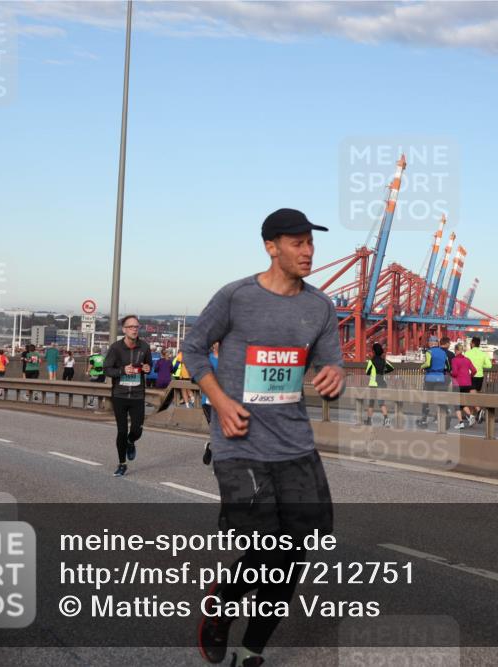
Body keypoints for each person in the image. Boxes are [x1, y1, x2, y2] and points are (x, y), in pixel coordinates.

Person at [184, 208, 343, 667]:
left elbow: (332, 365)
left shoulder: (320, 307)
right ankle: (222, 607)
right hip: (240, 445)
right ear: (271, 247)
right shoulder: (236, 297)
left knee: (294, 554)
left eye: (310, 242)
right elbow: (193, 348)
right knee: (267, 547)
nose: (308, 251)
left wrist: (334, 376)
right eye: (297, 243)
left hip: (296, 446)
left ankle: (253, 650)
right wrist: (220, 401)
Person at [102, 314, 152, 476]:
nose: (134, 330)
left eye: (136, 327)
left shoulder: (144, 347)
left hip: (138, 395)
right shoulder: (116, 348)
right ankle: (122, 463)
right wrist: (123, 370)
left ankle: (131, 442)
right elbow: (107, 369)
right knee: (122, 431)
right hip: (120, 395)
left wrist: (147, 368)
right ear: (124, 330)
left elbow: (149, 365)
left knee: (137, 430)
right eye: (131, 327)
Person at [417, 336, 452, 428]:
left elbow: (428, 363)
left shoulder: (429, 352)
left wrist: (421, 367)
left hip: (430, 378)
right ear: (437, 343)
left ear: (431, 343)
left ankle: (424, 420)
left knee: (426, 399)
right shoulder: (443, 352)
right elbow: (448, 367)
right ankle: (446, 413)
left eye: (429, 342)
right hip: (440, 378)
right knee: (440, 398)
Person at [364, 342, 395, 427]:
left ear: (373, 351)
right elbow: (391, 368)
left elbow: (367, 372)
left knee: (371, 403)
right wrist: (384, 371)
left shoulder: (371, 361)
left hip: (373, 384)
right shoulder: (383, 361)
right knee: (381, 403)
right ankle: (386, 420)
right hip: (382, 384)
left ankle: (369, 421)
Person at [465, 336, 493, 423]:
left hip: (471, 376)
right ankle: (472, 418)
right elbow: (489, 365)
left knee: (471, 397)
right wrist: (481, 365)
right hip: (480, 377)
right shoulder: (483, 354)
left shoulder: (467, 353)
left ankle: (479, 410)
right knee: (474, 396)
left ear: (472, 343)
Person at [450, 342, 477, 429]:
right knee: (462, 402)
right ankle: (470, 416)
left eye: (455, 350)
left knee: (456, 404)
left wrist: (450, 373)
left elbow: (455, 373)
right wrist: (469, 377)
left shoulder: (454, 360)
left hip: (458, 384)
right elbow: (474, 370)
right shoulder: (467, 359)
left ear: (456, 350)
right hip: (467, 384)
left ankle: (461, 422)